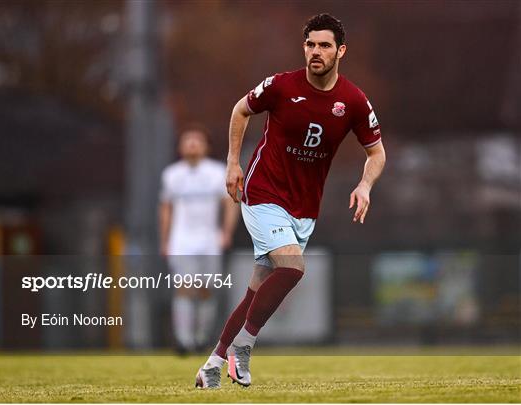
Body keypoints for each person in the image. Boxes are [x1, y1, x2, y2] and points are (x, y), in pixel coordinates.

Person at [195, 13, 386, 388]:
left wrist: (365, 185)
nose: (316, 52)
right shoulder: (282, 86)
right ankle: (243, 348)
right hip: (263, 191)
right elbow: (240, 110)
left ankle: (212, 365)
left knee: (258, 288)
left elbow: (376, 153)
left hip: (303, 207)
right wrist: (233, 163)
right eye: (310, 44)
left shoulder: (353, 100)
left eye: (325, 45)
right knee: (294, 268)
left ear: (340, 51)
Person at [159, 125, 239, 354]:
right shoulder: (171, 174)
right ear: (181, 146)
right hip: (181, 240)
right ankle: (183, 340)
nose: (192, 144)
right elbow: (165, 209)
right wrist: (165, 240)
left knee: (205, 290)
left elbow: (231, 204)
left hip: (208, 240)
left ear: (206, 146)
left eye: (197, 140)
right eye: (188, 140)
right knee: (184, 288)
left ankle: (201, 338)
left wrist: (226, 233)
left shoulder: (217, 172)